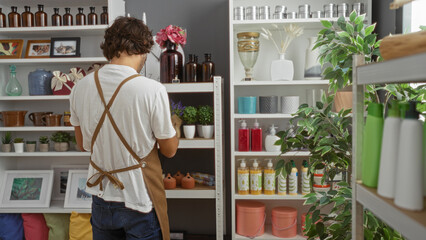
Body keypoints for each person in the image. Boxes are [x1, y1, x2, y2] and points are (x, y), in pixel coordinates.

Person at [70, 16, 178, 240]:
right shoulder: (152, 89)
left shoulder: (80, 88)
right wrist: (175, 125)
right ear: (143, 48)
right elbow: (169, 150)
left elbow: (82, 145)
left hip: (101, 200)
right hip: (138, 199)